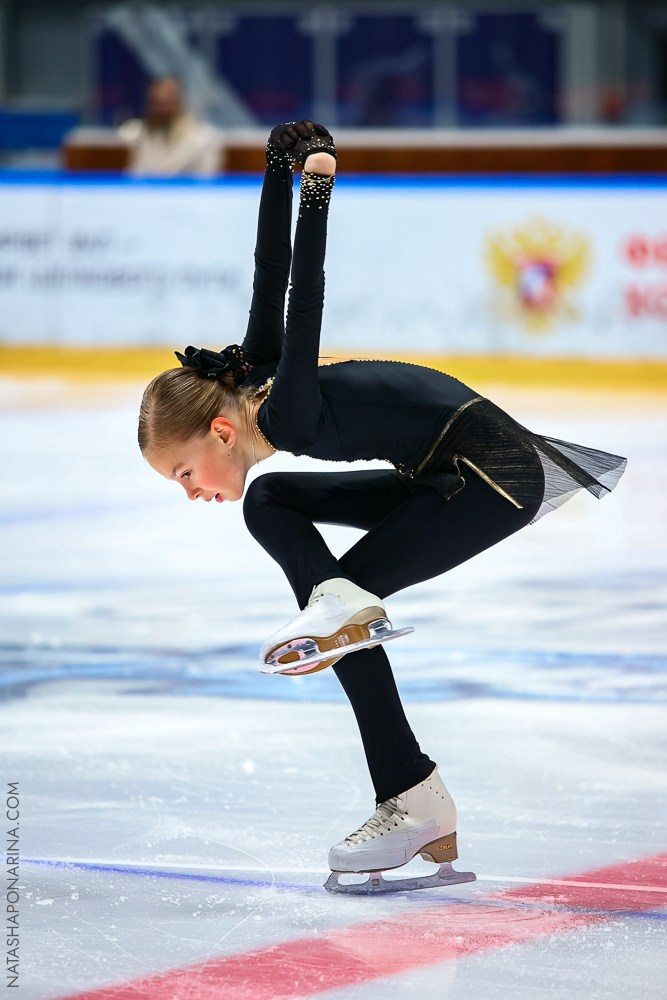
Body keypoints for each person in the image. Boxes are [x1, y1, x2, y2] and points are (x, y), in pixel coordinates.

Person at [138, 121, 627, 893]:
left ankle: (411, 797)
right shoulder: (255, 379)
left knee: (338, 618)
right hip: (442, 469)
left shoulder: (286, 411)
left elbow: (306, 293)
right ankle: (402, 768)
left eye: (184, 473)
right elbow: (268, 272)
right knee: (271, 502)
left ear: (221, 430)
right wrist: (276, 167)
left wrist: (319, 187)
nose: (191, 492)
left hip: (490, 475)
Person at [120, 76, 221, 178]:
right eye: (157, 103)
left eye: (168, 102)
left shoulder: (204, 138)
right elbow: (135, 178)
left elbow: (207, 181)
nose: (163, 110)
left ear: (180, 102)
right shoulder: (139, 136)